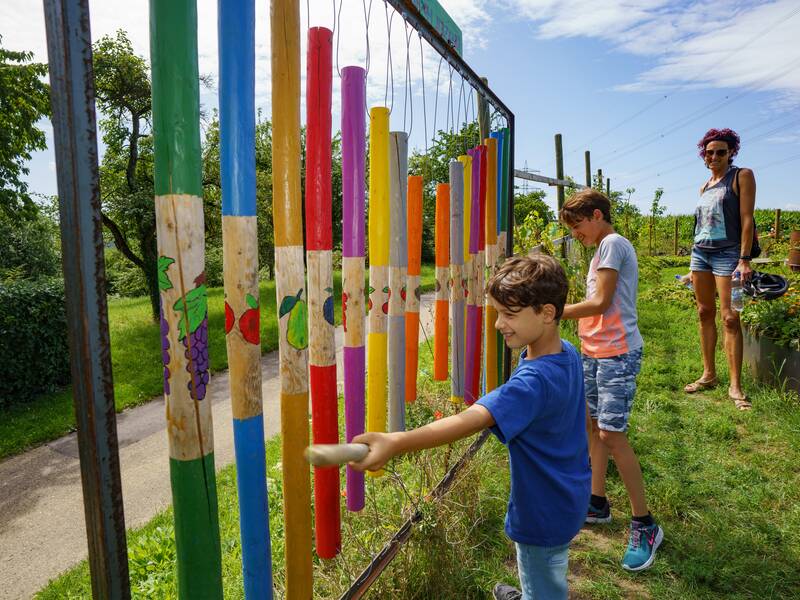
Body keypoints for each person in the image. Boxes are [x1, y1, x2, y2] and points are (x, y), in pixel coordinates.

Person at [351, 254, 591, 600]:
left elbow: (472, 418)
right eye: (498, 313)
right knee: (548, 570)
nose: (498, 324)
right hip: (571, 490)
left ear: (547, 313)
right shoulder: (566, 353)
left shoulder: (532, 383)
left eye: (509, 315)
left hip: (542, 511)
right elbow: (580, 415)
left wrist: (397, 441)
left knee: (544, 579)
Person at [560, 189, 663, 572]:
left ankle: (645, 524)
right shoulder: (602, 248)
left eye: (577, 225)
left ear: (597, 214)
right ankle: (597, 501)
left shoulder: (613, 244)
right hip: (595, 350)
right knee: (592, 427)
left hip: (617, 352)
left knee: (612, 434)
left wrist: (551, 312)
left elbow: (602, 303)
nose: (575, 234)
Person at [684, 128, 755, 410]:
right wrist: (692, 267)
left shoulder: (741, 176)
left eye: (720, 152)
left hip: (729, 254)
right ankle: (709, 374)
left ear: (731, 153)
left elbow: (747, 219)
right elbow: (700, 226)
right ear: (704, 156)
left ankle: (736, 386)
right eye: (709, 152)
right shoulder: (704, 186)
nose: (714, 156)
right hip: (700, 254)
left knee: (730, 318)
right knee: (704, 312)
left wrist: (744, 259)